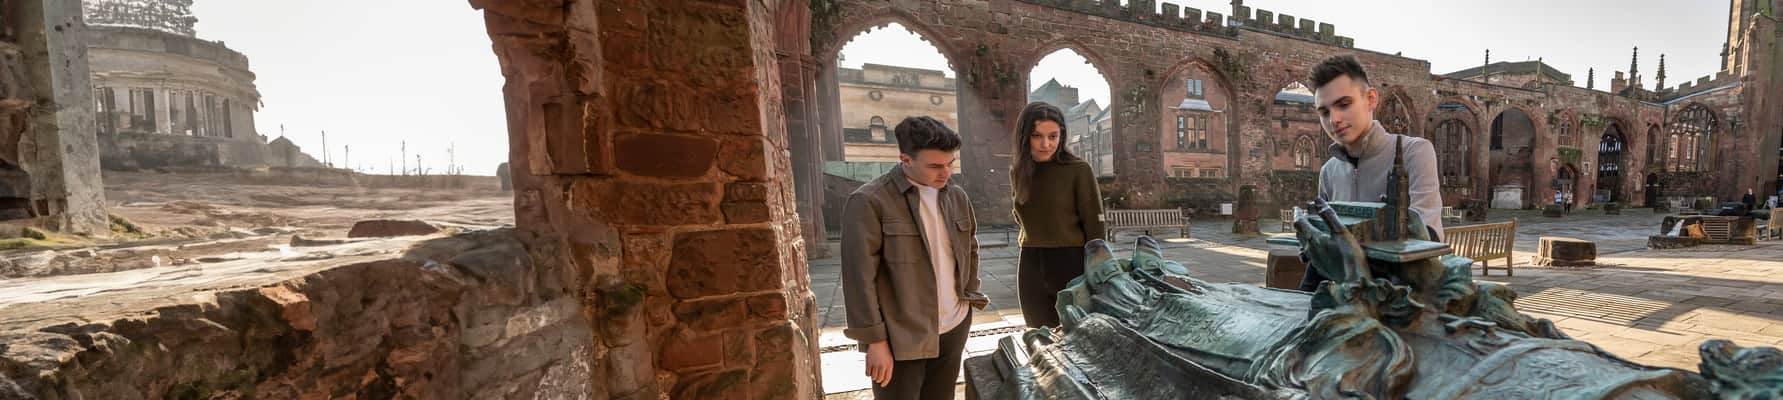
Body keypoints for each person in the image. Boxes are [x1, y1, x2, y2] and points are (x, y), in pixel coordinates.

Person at [841, 116, 988, 400]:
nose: (945, 173)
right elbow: (859, 279)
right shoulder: (869, 201)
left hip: (954, 327)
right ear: (905, 159)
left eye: (950, 163)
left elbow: (970, 248)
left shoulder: (957, 197)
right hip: (900, 337)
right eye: (935, 166)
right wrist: (875, 342)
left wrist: (967, 296)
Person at [1298, 55, 1445, 292]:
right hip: (1352, 298)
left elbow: (1427, 236)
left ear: (1371, 99)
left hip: (1409, 297)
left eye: (1344, 104)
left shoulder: (1415, 152)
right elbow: (1324, 251)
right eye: (1324, 111)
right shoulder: (1329, 171)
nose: (1334, 119)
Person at [1009, 102, 1106, 329]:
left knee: (1076, 338)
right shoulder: (1019, 171)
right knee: (1038, 334)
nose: (1046, 144)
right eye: (1037, 136)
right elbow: (1021, 217)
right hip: (1031, 262)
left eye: (1053, 136)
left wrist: (1096, 269)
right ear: (1025, 137)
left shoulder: (1078, 170)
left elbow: (1095, 226)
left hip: (1071, 262)